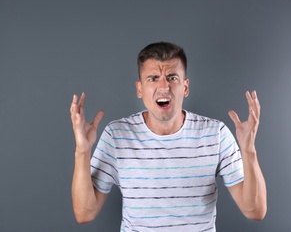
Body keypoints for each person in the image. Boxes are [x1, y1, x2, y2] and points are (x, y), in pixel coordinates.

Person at [70, 42, 267, 231]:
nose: (164, 87)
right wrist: (82, 151)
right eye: (153, 78)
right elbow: (85, 214)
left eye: (172, 77)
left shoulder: (216, 134)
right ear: (139, 89)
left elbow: (255, 210)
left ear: (186, 87)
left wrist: (248, 149)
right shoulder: (116, 136)